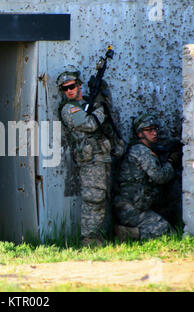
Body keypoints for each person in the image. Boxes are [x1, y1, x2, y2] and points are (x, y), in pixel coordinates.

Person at [57, 71, 112, 246]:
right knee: (93, 198)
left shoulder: (88, 103)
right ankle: (89, 239)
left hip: (101, 156)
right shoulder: (69, 108)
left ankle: (98, 237)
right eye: (64, 89)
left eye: (71, 86)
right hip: (90, 160)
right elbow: (89, 124)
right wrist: (102, 109)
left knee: (102, 197)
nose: (69, 91)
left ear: (79, 85)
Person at [113, 113, 179, 241]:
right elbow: (159, 176)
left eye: (155, 129)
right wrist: (171, 162)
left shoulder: (145, 149)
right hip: (129, 209)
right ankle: (129, 234)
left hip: (134, 206)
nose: (154, 133)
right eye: (149, 130)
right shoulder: (141, 151)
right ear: (139, 134)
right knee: (167, 232)